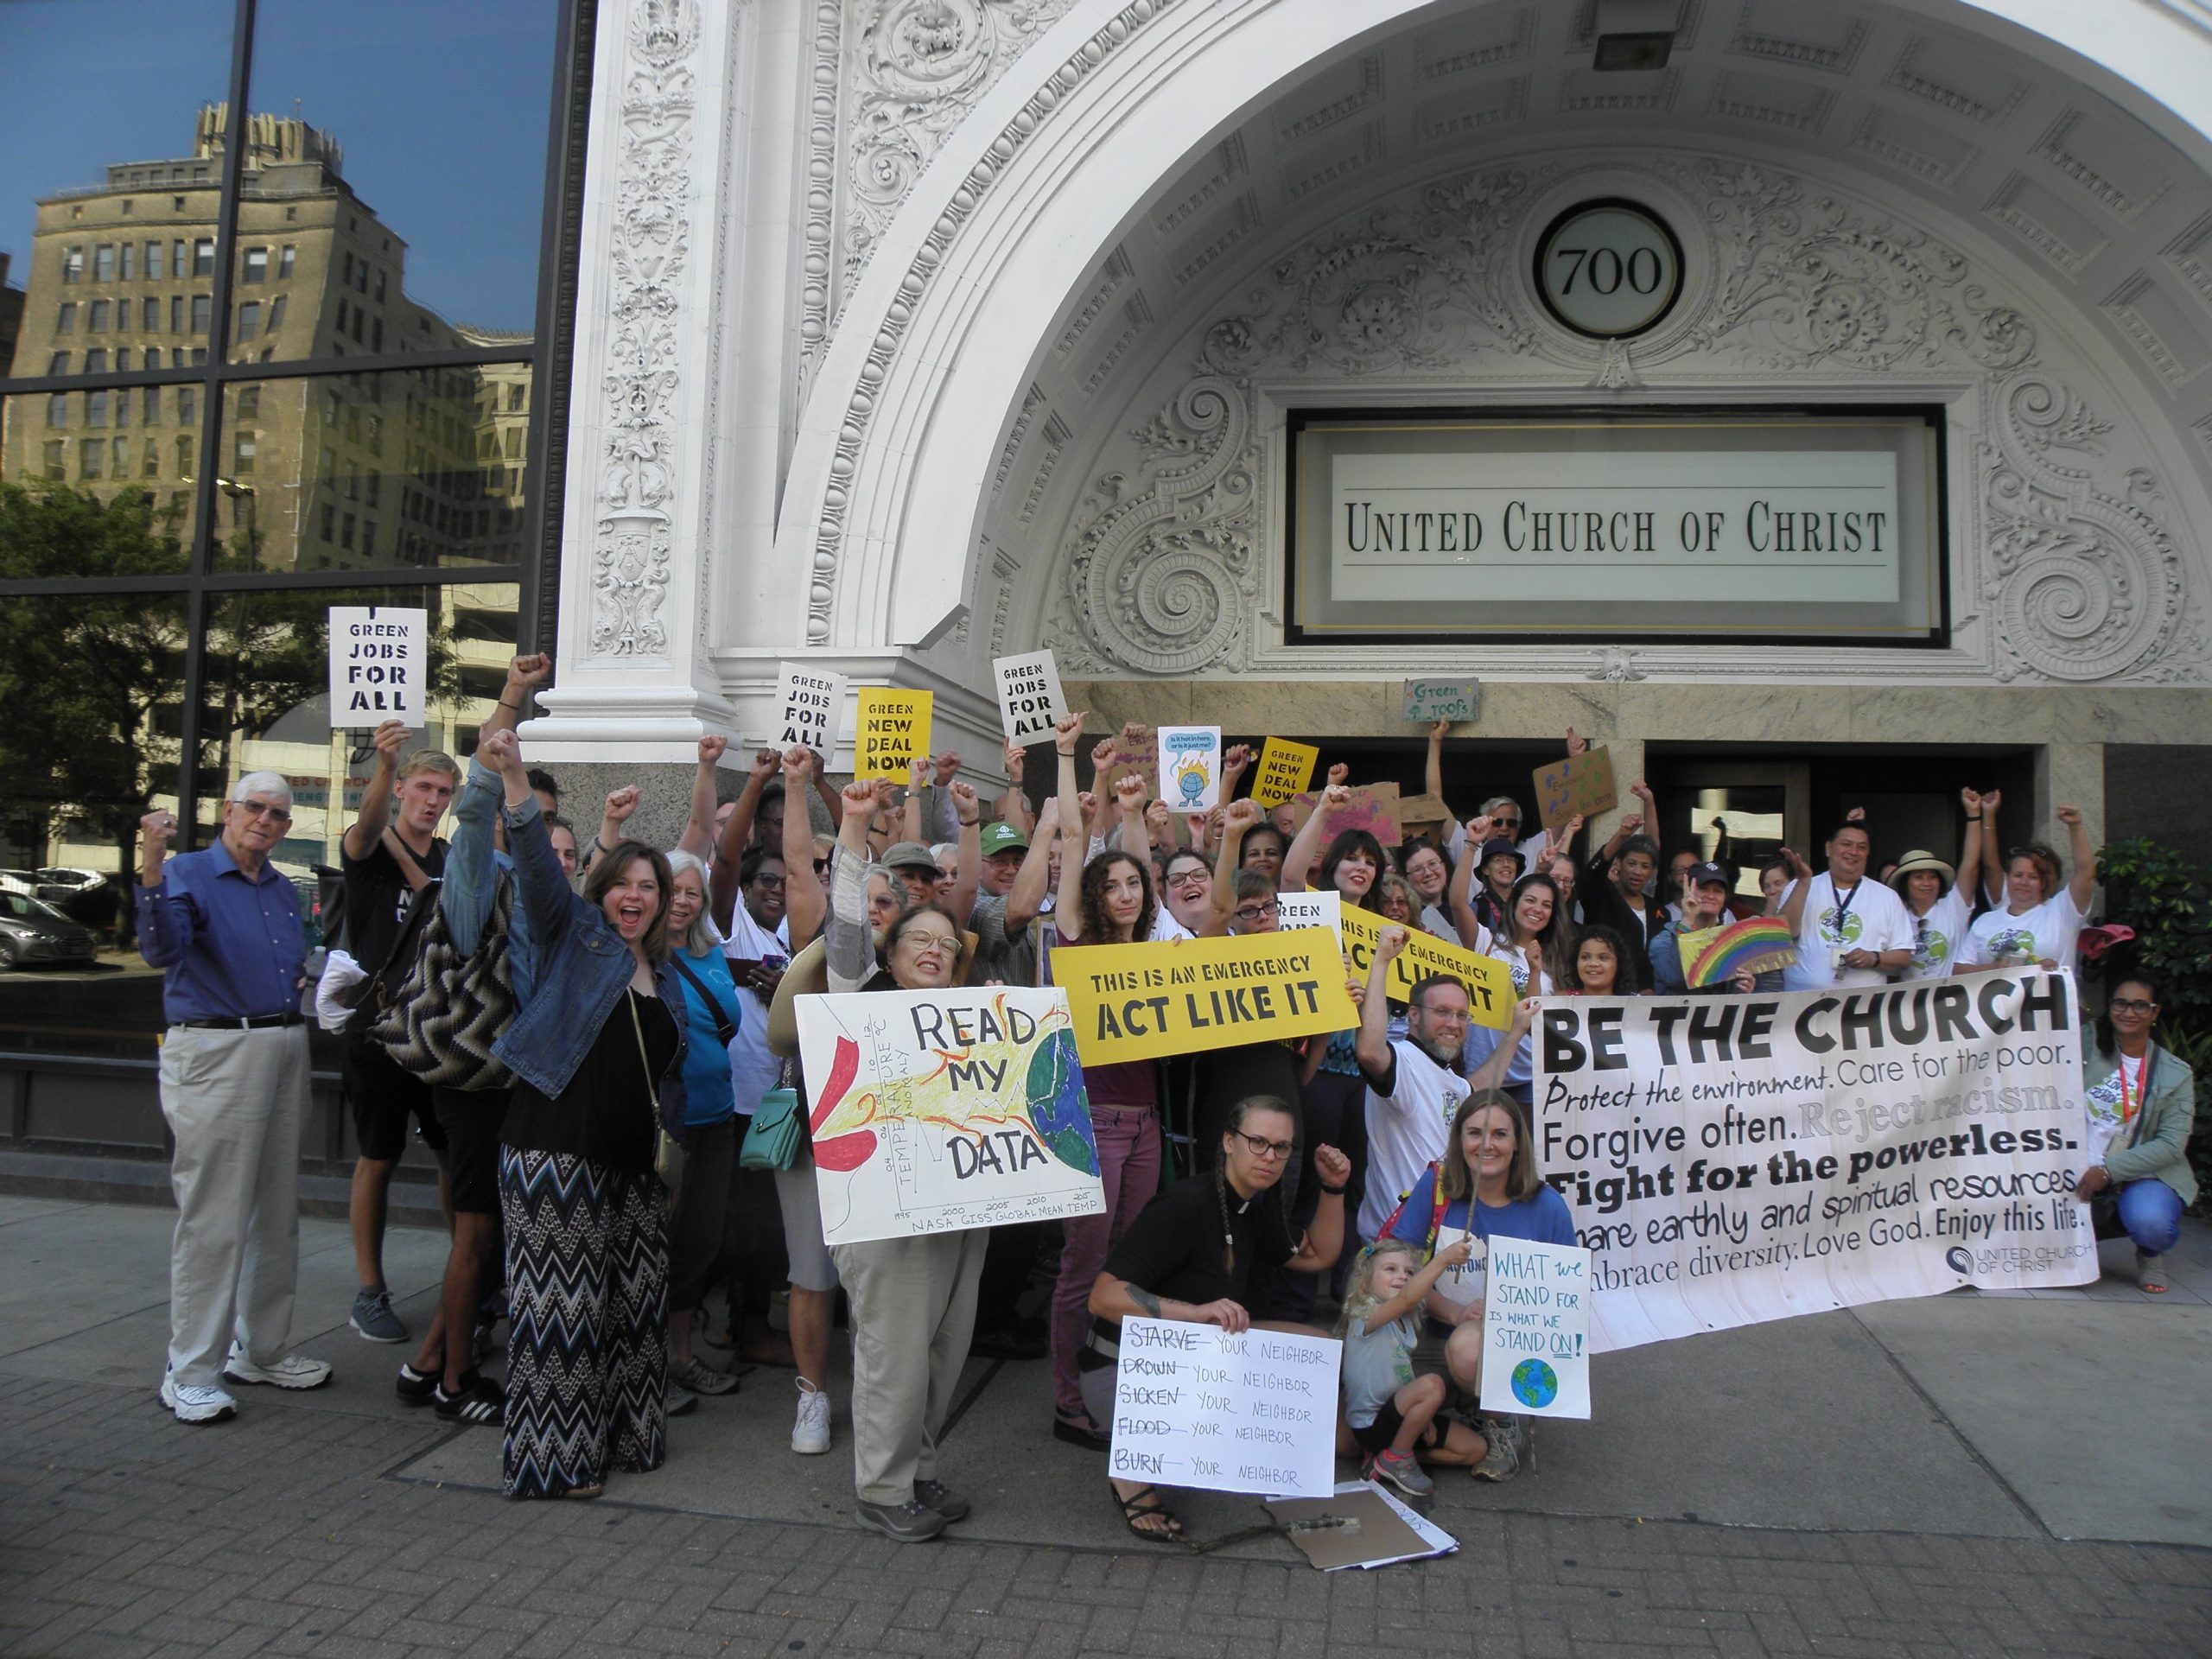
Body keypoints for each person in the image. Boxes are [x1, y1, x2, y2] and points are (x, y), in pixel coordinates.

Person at [477, 729, 689, 1502]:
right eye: (621, 884)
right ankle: (555, 1463)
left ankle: (627, 1441)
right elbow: (537, 870)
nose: (635, 897)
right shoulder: (578, 939)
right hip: (554, 1152)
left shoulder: (660, 977)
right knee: (559, 1317)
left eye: (650, 888)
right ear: (600, 892)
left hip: (632, 1170)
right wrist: (513, 782)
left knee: (633, 1311)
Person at [818, 777, 987, 1542]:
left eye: (947, 946)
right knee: (894, 1351)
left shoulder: (971, 1020)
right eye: (919, 940)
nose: (934, 951)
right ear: (891, 955)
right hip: (884, 1213)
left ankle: (916, 1470)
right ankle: (882, 1491)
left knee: (943, 1351)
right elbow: (847, 925)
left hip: (959, 1209)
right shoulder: (861, 1000)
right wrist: (854, 829)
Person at [137, 779, 330, 1423]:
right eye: (256, 808)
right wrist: (151, 864)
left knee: (277, 1210)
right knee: (214, 1215)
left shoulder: (279, 888)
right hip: (217, 1049)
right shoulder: (188, 872)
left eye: (279, 814)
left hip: (281, 1041)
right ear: (228, 811)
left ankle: (263, 1349)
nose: (267, 821)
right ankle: (190, 1368)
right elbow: (161, 950)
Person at [392, 654, 548, 1423]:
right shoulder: (473, 878)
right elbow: (482, 789)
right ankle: (456, 1383)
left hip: (499, 1081)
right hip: (471, 1082)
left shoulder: (523, 885)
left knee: (480, 1237)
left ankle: (425, 1366)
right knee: (475, 1236)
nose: (532, 827)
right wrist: (512, 698)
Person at [1085, 1098, 1350, 1539]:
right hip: (1124, 1373)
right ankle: (1130, 1468)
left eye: (1281, 1147)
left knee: (1325, 1352)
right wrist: (1194, 1313)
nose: (1269, 1156)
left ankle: (1306, 1447)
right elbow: (1102, 1297)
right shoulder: (1184, 1206)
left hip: (1202, 1356)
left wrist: (1334, 1188)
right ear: (1229, 1141)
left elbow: (1319, 1254)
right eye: (1257, 1142)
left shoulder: (1254, 1201)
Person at [1043, 712, 1169, 1452]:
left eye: (1133, 884)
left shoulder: (1155, 954)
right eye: (1112, 884)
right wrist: (1067, 757)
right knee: (1080, 1266)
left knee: (1125, 1265)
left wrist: (1134, 814)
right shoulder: (1076, 941)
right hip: (1088, 1123)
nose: (1124, 892)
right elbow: (1067, 838)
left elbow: (1148, 866)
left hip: (1146, 1127)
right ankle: (1068, 1403)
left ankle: (1113, 1387)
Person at [1383, 1090, 1577, 1481]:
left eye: (1499, 1135)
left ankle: (1501, 1421)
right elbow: (1396, 1272)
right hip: (1424, 1335)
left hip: (1506, 1347)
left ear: (1517, 1144)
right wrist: (1455, 1311)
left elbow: (1567, 1298)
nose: (1486, 1144)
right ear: (1459, 1140)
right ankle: (1464, 1401)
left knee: (1468, 1347)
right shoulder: (1436, 1187)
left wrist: (1505, 1317)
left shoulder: (1547, 1206)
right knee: (1370, 1408)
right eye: (1474, 1133)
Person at [341, 722, 459, 1345]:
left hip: (438, 1030)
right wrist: (383, 767)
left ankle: (463, 1281)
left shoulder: (446, 859)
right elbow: (363, 829)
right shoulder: (371, 851)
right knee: (378, 1156)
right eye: (423, 787)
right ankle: (369, 1288)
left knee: (451, 1155)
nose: (432, 800)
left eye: (443, 791)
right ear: (404, 789)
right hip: (380, 1028)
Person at [1352, 927, 1473, 1249]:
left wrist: (1515, 1034)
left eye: (1462, 1015)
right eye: (1443, 1012)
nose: (1454, 1023)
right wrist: (1381, 962)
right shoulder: (1403, 1061)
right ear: (1414, 1015)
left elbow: (1481, 1085)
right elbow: (1368, 1051)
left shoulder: (1458, 1084)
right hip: (1394, 1245)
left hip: (1439, 1241)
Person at [2075, 975, 2196, 1294]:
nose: (2129, 1012)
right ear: (2110, 1007)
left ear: (2155, 1013)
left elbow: (2171, 1144)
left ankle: (2149, 1253)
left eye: (2140, 1005)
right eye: (2121, 1003)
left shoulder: (2175, 1072)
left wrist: (2108, 1171)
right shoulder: (2084, 1045)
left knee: (2152, 1224)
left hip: (2140, 1173)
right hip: (2073, 1162)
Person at [1337, 1237, 1485, 1495]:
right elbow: (1407, 1298)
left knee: (1475, 1449)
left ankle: (1383, 1458)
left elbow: (1400, 1377)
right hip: (1371, 1426)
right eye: (1390, 1269)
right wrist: (1443, 1259)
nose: (1402, 1276)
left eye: (1409, 1272)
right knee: (1434, 1384)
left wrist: (1420, 1418)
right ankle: (1397, 1457)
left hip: (1397, 1416)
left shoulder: (1403, 1324)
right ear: (1366, 1279)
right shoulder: (1364, 1315)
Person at [1777, 820, 1914, 991]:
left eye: (1861, 847)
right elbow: (1782, 936)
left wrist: (1874, 958)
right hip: (1803, 1004)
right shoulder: (1800, 886)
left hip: (1863, 1010)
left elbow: (1904, 957)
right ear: (1829, 848)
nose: (1853, 852)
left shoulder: (1887, 897)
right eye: (1846, 844)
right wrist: (1804, 880)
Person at [1961, 799, 2096, 971]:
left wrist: (2075, 826)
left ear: (2044, 882)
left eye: (2033, 877)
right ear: (2008, 878)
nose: (2024, 882)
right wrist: (1995, 968)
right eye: (2018, 875)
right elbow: (1958, 969)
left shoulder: (2062, 911)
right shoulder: (1985, 921)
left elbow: (2086, 873)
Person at [1888, 789, 1991, 981]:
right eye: (1918, 877)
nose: (1927, 883)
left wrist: (1973, 814)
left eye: (1932, 876)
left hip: (1953, 1002)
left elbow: (1970, 864)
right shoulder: (1895, 917)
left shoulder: (1953, 907)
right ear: (1905, 883)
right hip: (1911, 1005)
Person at [1649, 862, 1768, 996]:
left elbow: (1759, 995)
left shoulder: (1737, 941)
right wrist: (1687, 920)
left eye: (1718, 891)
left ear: (1724, 898)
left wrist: (1744, 992)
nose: (1711, 895)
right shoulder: (1664, 940)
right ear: (1688, 891)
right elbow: (1674, 977)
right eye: (1703, 888)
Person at [1563, 924, 1637, 996]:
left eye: (1603, 958)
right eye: (1585, 957)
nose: (1593, 963)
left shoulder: (1635, 1003)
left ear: (1619, 964)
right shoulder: (1562, 1001)